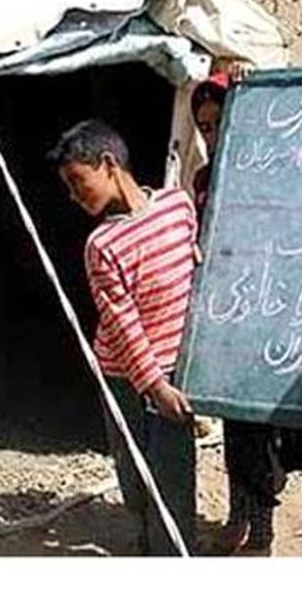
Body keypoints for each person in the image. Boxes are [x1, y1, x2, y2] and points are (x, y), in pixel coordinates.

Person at [189, 71, 302, 556]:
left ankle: (260, 530)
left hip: (271, 317)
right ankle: (238, 518)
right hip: (228, 320)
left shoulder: (279, 174)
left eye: (221, 122)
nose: (212, 136)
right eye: (205, 127)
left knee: (260, 429)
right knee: (235, 426)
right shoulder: (205, 181)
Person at [47, 119, 198, 556]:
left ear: (109, 164)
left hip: (174, 366)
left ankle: (173, 553)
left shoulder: (177, 205)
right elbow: (122, 324)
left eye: (78, 181)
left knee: (173, 471)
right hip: (124, 374)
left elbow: (196, 256)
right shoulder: (102, 245)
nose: (74, 196)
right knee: (134, 470)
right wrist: (154, 386)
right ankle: (149, 536)